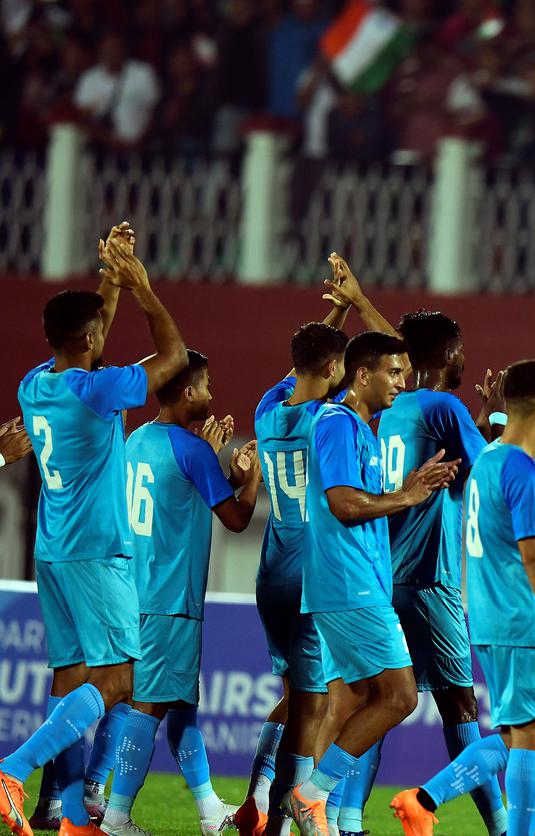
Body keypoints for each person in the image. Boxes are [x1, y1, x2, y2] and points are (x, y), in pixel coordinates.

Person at [3, 228, 187, 836]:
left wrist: (109, 276)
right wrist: (142, 288)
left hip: (53, 550)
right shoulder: (98, 391)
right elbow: (173, 358)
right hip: (96, 550)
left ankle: (62, 810)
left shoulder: (36, 385)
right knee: (124, 679)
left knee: (70, 678)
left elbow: (91, 334)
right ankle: (14, 769)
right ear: (88, 339)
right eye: (99, 331)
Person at [390, 360, 535, 836]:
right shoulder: (524, 471)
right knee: (532, 739)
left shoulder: (487, 460)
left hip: (488, 621)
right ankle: (428, 801)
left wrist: (491, 413)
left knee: (518, 735)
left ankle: (423, 800)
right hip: (525, 624)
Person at [236, 256, 395, 836]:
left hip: (272, 571)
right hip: (313, 576)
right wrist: (359, 304)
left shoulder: (268, 409)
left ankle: (257, 799)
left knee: (300, 700)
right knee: (314, 712)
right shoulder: (327, 420)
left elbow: (306, 363)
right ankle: (290, 819)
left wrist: (339, 312)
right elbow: (390, 363)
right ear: (336, 369)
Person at [285, 331, 458, 836]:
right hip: (348, 583)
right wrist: (406, 497)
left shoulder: (363, 429)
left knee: (347, 700)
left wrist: (407, 491)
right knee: (400, 696)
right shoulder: (337, 423)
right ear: (363, 375)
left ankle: (326, 820)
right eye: (394, 372)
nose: (402, 381)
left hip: (353, 583)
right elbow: (342, 504)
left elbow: (363, 504)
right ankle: (310, 795)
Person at [100, 352, 262, 836]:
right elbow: (237, 520)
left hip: (135, 593)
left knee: (180, 703)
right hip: (170, 599)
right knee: (148, 706)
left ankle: (209, 810)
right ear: (188, 392)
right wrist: (251, 479)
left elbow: (180, 498)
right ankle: (115, 816)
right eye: (206, 385)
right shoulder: (191, 450)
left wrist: (225, 475)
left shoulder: (137, 440)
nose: (211, 394)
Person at [377, 309, 507, 836]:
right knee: (460, 706)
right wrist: (500, 419)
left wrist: (478, 420)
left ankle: (341, 817)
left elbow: (455, 461)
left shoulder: (393, 409)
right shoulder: (444, 406)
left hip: (386, 575)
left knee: (380, 702)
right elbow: (492, 470)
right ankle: (500, 828)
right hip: (430, 576)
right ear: (448, 354)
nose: (464, 357)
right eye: (461, 348)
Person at [73, 31, 160, 150]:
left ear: (123, 49)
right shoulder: (89, 79)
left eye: (115, 48)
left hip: (140, 148)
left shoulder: (143, 73)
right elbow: (82, 117)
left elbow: (156, 110)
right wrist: (108, 140)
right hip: (102, 148)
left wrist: (141, 141)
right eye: (107, 49)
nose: (111, 53)